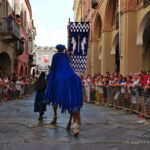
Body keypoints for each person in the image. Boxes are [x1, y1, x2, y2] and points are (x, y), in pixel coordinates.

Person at [44, 44, 83, 136]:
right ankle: (75, 127)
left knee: (52, 92)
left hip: (60, 79)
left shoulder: (55, 56)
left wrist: (50, 78)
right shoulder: (66, 56)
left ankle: (55, 116)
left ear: (57, 49)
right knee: (72, 102)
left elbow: (53, 68)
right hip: (72, 76)